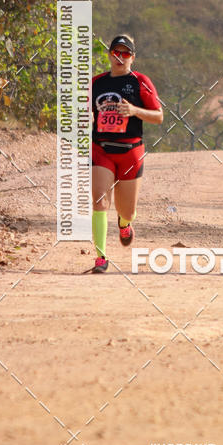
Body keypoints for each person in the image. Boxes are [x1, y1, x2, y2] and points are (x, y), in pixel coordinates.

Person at [86, 34, 163, 273]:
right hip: (101, 149)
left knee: (126, 210)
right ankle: (101, 257)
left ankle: (124, 223)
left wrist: (134, 111)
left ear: (133, 57)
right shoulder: (96, 83)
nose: (120, 57)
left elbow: (159, 116)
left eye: (126, 53)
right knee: (100, 201)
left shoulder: (141, 81)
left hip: (131, 151)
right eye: (116, 52)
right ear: (109, 54)